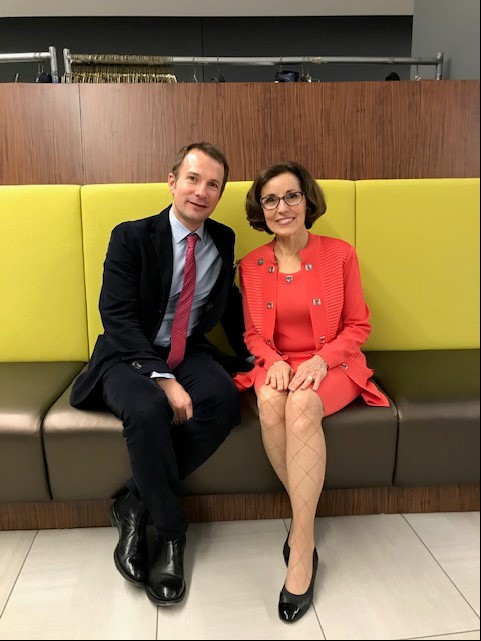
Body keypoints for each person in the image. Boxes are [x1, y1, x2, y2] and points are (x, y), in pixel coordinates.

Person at [71, 142, 251, 606]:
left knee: (224, 400)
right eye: (193, 179)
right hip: (127, 353)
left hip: (187, 349)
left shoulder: (223, 238)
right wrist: (161, 378)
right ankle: (171, 534)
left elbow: (226, 301)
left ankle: (133, 502)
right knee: (150, 408)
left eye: (213, 184)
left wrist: (257, 356)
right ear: (172, 181)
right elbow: (118, 317)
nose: (202, 191)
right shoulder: (130, 237)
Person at [234, 161, 389, 623]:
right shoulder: (252, 265)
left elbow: (359, 325)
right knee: (268, 403)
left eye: (291, 196)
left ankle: (302, 546)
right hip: (278, 364)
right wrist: (275, 361)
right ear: (261, 210)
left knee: (302, 406)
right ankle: (307, 524)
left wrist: (323, 360)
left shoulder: (340, 255)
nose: (282, 207)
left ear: (308, 201)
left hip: (333, 362)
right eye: (271, 200)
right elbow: (251, 336)